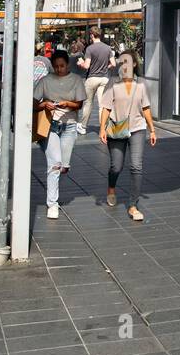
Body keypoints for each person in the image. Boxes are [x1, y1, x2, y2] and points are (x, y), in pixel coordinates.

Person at [99, 52, 156, 222]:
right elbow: (106, 108)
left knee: (136, 166)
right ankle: (111, 187)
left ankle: (133, 205)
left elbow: (145, 107)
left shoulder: (141, 85)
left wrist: (152, 129)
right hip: (117, 128)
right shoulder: (113, 83)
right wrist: (102, 128)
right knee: (116, 166)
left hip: (137, 128)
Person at [34, 49, 87, 220]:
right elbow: (34, 103)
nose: (59, 69)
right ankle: (52, 204)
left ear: (67, 65)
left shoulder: (76, 80)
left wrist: (67, 103)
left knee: (63, 166)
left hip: (70, 126)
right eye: (56, 66)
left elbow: (79, 104)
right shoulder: (45, 81)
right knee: (55, 164)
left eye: (62, 66)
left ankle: (55, 186)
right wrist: (45, 104)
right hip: (50, 125)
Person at [78, 26, 113, 135]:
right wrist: (105, 67)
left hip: (92, 78)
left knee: (88, 103)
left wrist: (80, 63)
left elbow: (87, 66)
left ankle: (83, 127)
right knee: (102, 105)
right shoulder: (108, 48)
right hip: (104, 78)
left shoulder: (90, 48)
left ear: (92, 35)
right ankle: (104, 127)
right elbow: (114, 63)